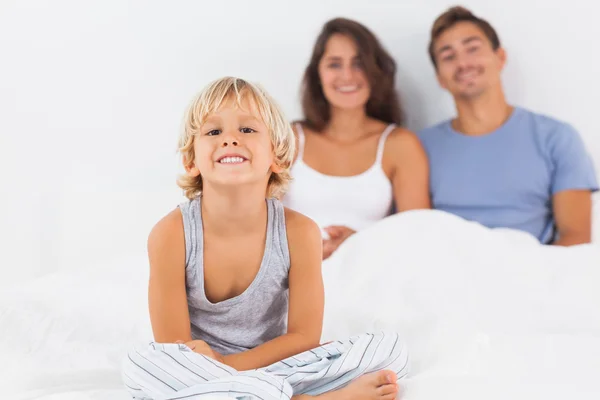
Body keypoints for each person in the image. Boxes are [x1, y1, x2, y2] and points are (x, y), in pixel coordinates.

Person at [121, 77, 408, 400]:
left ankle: (258, 393)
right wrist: (217, 370)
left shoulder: (299, 232)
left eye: (247, 130)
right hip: (198, 373)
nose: (230, 139)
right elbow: (174, 349)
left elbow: (303, 336)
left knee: (388, 349)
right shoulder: (171, 234)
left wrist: (230, 367)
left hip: (273, 366)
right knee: (143, 366)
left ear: (278, 156)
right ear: (191, 161)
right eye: (213, 132)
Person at [418, 6, 598, 245]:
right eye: (448, 56)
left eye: (472, 48)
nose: (463, 63)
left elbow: (574, 236)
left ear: (500, 57)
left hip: (533, 272)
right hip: (447, 274)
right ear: (440, 77)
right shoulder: (418, 147)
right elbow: (414, 234)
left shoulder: (556, 137)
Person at [283, 18, 431, 260]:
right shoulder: (289, 139)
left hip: (367, 273)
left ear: (376, 72)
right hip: (293, 274)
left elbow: (418, 234)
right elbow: (258, 224)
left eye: (359, 63)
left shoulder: (400, 144)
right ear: (317, 74)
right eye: (334, 64)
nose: (347, 75)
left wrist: (359, 244)